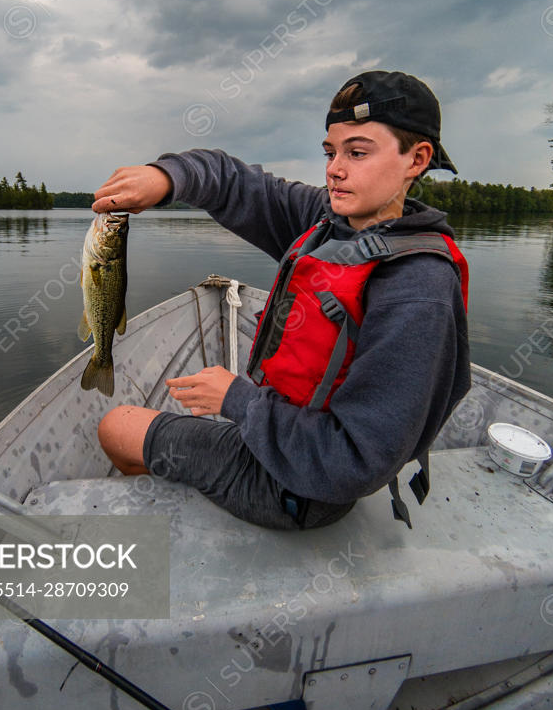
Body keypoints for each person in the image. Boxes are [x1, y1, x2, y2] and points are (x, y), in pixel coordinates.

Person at [92, 71, 471, 531]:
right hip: (280, 436)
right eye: (331, 152)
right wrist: (164, 178)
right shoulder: (330, 221)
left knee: (116, 427)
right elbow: (232, 182)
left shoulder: (418, 291)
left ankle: (186, 513)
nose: (334, 169)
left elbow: (353, 463)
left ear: (417, 158)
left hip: (297, 488)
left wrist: (237, 400)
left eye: (358, 152)